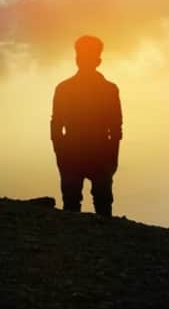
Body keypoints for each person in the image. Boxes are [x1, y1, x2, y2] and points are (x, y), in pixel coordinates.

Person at [51, 35, 122, 216]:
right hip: (80, 152)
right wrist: (61, 152)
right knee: (80, 201)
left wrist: (112, 157)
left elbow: (116, 128)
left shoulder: (66, 88)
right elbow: (56, 125)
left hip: (93, 152)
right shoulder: (66, 89)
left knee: (96, 201)